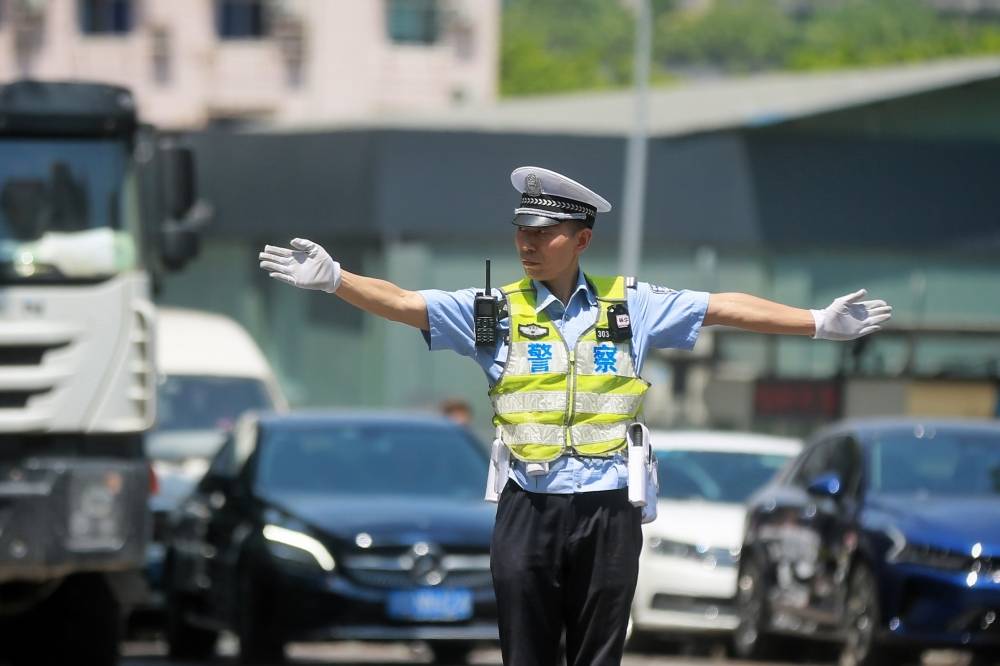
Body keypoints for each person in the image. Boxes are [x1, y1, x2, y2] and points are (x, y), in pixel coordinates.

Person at [257, 166, 892, 666]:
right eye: (521, 231)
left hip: (608, 506)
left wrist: (814, 322)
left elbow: (722, 306)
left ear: (581, 240)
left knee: (598, 655)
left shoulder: (632, 305)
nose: (527, 244)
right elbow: (401, 302)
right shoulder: (493, 310)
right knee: (525, 653)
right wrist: (337, 278)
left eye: (544, 233)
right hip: (527, 506)